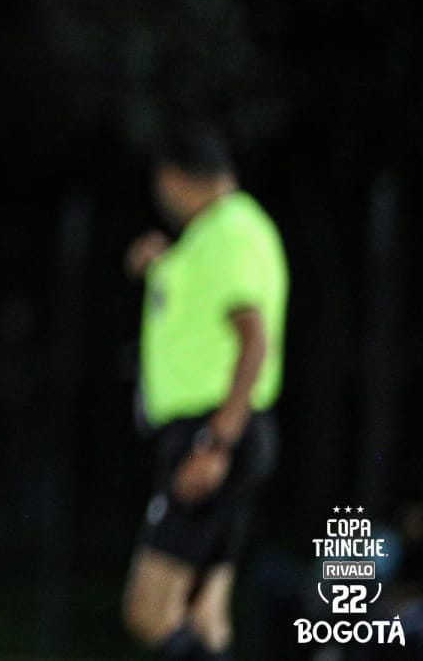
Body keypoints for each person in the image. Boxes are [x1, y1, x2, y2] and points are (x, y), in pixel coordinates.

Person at [121, 127, 287, 660]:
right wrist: (162, 264)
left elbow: (254, 339)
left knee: (148, 612)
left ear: (173, 180)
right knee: (205, 614)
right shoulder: (216, 234)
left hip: (212, 434)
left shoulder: (231, 232)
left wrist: (215, 443)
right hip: (225, 434)